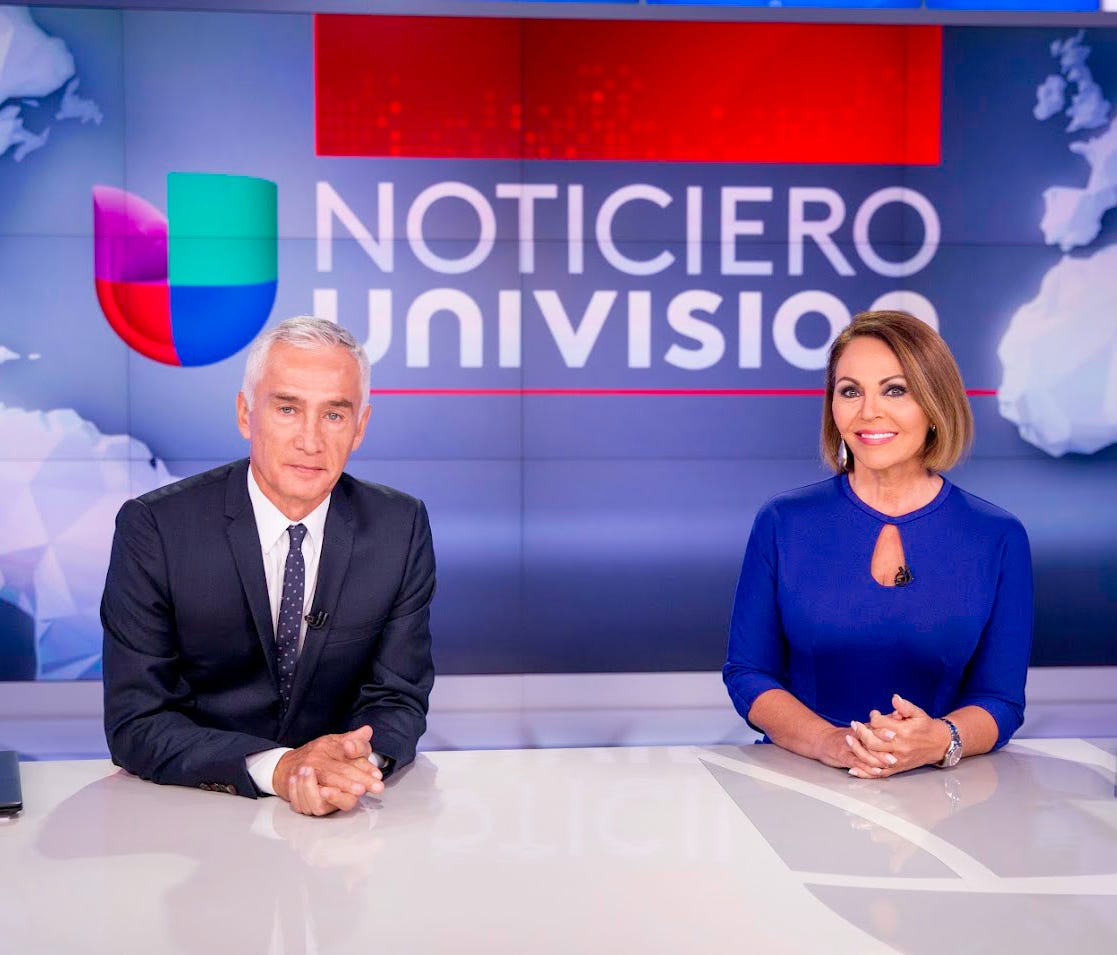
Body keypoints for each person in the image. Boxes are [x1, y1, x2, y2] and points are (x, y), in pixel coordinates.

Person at [102, 316, 436, 815]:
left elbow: (397, 697)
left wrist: (350, 764)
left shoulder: (399, 526)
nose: (310, 440)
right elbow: (138, 721)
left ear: (361, 426)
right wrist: (281, 768)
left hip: (345, 821)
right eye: (287, 408)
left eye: (334, 415)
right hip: (193, 813)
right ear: (245, 414)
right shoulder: (155, 529)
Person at [724, 310, 1033, 778]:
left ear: (934, 403)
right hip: (802, 783)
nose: (869, 412)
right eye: (850, 391)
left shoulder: (997, 536)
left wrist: (938, 739)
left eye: (895, 390)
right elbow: (749, 674)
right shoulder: (782, 522)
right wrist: (831, 743)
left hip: (943, 799)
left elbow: (1001, 701)